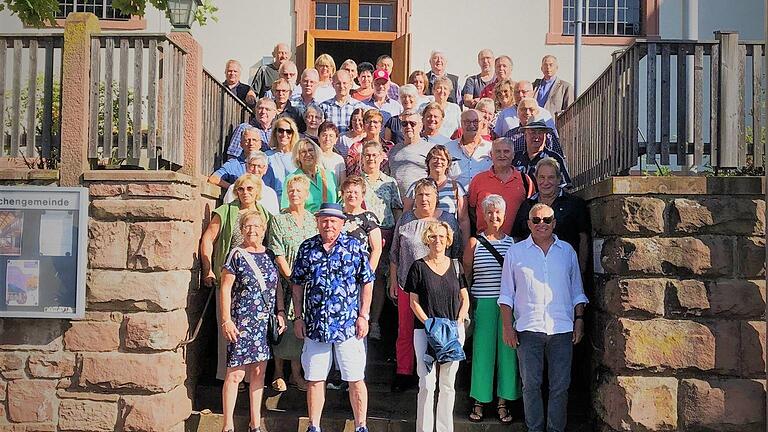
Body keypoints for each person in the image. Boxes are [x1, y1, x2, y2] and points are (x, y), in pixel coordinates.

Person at [498, 203, 588, 432]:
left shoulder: (567, 251)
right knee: (531, 386)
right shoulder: (515, 253)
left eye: (547, 220)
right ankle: (535, 429)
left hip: (562, 328)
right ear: (528, 224)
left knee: (560, 386)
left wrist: (579, 320)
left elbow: (577, 290)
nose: (542, 224)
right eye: (536, 220)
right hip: (528, 328)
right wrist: (507, 327)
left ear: (554, 223)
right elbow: (506, 294)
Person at [291, 202, 375, 432]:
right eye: (324, 220)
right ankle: (314, 426)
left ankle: (361, 426)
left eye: (333, 221)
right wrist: (298, 317)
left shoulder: (354, 247)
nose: (328, 224)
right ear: (318, 222)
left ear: (342, 223)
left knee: (355, 377)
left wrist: (364, 315)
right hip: (316, 325)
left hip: (348, 325)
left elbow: (367, 281)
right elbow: (297, 283)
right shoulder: (307, 247)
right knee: (315, 378)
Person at [389, 178, 462, 392]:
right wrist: (393, 280)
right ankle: (404, 372)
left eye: (428, 195)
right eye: (420, 195)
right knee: (405, 330)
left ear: (436, 198)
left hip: (438, 287)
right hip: (406, 285)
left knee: (436, 329)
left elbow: (455, 252)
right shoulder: (405, 220)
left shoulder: (447, 220)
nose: (424, 199)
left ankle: (439, 371)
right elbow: (394, 253)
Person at [200, 174, 272, 381]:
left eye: (250, 189)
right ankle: (228, 377)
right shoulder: (225, 211)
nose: (245, 193)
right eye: (241, 189)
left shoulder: (264, 214)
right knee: (228, 326)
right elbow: (207, 239)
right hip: (230, 277)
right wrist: (208, 269)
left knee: (256, 332)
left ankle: (250, 378)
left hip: (256, 284)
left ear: (257, 191)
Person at [219, 209, 285, 432]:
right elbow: (225, 288)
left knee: (259, 373)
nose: (252, 230)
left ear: (264, 229)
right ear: (241, 230)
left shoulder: (270, 255)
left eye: (257, 226)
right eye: (248, 226)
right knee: (236, 373)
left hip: (263, 322)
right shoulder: (236, 255)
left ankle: (255, 423)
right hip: (241, 320)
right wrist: (226, 320)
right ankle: (227, 425)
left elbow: (276, 286)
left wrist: (281, 311)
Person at [406, 221, 469, 432]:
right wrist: (429, 323)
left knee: (448, 384)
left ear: (448, 239)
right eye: (433, 237)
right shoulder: (418, 266)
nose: (438, 241)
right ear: (427, 239)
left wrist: (459, 320)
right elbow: (413, 301)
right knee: (426, 384)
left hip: (452, 331)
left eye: (442, 236)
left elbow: (465, 298)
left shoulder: (456, 266)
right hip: (425, 331)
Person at [463, 195, 520, 424]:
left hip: (507, 304)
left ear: (504, 215)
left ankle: (503, 401)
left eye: (498, 212)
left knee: (508, 353)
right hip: (483, 302)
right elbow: (466, 274)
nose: (493, 216)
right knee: (482, 353)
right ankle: (479, 400)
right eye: (489, 212)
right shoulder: (474, 243)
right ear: (483, 216)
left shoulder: (514, 243)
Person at [268, 175, 317, 393]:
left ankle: (297, 374)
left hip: (307, 284)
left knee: (300, 326)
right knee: (283, 325)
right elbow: (277, 252)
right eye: (291, 191)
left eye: (299, 191)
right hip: (285, 281)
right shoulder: (278, 220)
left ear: (306, 195)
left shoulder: (312, 220)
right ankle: (278, 372)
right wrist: (292, 278)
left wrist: (307, 280)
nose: (294, 194)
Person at [513, 158, 590, 273]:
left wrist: (581, 271)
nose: (546, 182)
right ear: (536, 178)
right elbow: (517, 237)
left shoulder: (575, 204)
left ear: (559, 179)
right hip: (532, 270)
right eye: (542, 177)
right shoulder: (527, 205)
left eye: (551, 177)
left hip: (565, 270)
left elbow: (584, 239)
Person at [360, 141, 403, 340]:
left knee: (378, 279)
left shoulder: (389, 182)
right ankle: (360, 317)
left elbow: (396, 209)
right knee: (362, 277)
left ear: (381, 158)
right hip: (360, 234)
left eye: (374, 155)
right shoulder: (356, 181)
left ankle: (374, 321)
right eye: (367, 155)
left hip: (384, 234)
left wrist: (396, 236)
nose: (370, 158)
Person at [403, 145, 471, 247]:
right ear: (428, 162)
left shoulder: (456, 188)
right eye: (435, 158)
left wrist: (465, 247)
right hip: (420, 242)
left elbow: (463, 220)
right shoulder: (415, 187)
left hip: (448, 243)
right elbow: (406, 216)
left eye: (443, 159)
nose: (439, 162)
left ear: (448, 164)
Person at [467, 138, 534, 235]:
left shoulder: (525, 180)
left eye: (506, 151)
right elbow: (471, 210)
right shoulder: (478, 180)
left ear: (513, 155)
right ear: (491, 155)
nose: (502, 155)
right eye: (498, 151)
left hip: (517, 242)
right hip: (486, 242)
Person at [209, 125, 277, 193]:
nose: (251, 143)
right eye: (247, 140)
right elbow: (213, 179)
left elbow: (273, 191)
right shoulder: (233, 164)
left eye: (254, 140)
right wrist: (235, 188)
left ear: (260, 144)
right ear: (241, 144)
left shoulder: (267, 168)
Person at [388, 111, 437, 197]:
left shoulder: (431, 149)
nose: (408, 126)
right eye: (404, 123)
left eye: (412, 123)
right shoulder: (394, 150)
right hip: (396, 203)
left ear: (421, 126)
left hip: (420, 201)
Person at [282, 139, 338, 212]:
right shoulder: (291, 179)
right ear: (297, 156)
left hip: (329, 221)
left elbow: (337, 202)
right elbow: (285, 208)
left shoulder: (330, 175)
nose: (308, 154)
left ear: (316, 152)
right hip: (305, 222)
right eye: (303, 152)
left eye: (310, 150)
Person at [512, 121, 570, 187]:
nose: (536, 136)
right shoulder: (515, 158)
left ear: (545, 136)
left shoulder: (555, 158)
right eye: (533, 132)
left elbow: (565, 186)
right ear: (525, 135)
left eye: (540, 133)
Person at [222, 151, 280, 216]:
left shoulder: (270, 193)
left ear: (265, 169)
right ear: (246, 167)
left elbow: (274, 219)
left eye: (259, 166)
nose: (255, 170)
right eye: (252, 165)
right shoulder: (234, 189)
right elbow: (227, 215)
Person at [445, 110, 492, 189]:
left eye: (476, 121)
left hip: (483, 197)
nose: (471, 125)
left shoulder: (491, 148)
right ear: (461, 123)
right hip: (456, 197)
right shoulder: (448, 148)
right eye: (467, 121)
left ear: (482, 124)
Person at [344, 109, 393, 177]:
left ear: (381, 126)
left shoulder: (389, 147)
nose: (372, 125)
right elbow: (350, 173)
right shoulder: (356, 147)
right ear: (364, 125)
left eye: (375, 122)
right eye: (368, 122)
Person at [320, 70, 362, 134]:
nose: (342, 86)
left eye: (344, 83)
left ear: (350, 84)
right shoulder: (324, 106)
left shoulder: (359, 107)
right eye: (338, 83)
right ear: (333, 85)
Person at [266, 117, 300, 197]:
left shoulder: (299, 156)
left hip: (294, 199)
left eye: (288, 131)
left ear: (293, 134)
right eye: (280, 131)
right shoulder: (266, 156)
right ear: (275, 133)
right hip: (273, 199)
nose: (284, 134)